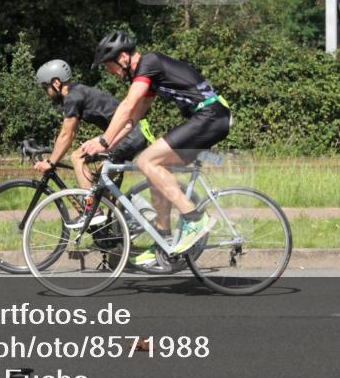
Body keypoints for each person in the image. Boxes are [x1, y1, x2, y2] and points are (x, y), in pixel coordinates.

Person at [79, 31, 231, 266]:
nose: (109, 72)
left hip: (210, 115)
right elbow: (132, 120)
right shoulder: (148, 75)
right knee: (155, 170)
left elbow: (128, 105)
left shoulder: (150, 62)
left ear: (122, 57)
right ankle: (163, 238)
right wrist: (106, 142)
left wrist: (102, 141)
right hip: (209, 118)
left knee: (146, 161)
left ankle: (194, 219)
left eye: (109, 65)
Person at [34, 59, 154, 187]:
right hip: (134, 133)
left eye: (45, 86)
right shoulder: (79, 91)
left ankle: (89, 207)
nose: (46, 91)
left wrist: (50, 162)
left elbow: (66, 135)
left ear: (56, 83)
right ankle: (115, 205)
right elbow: (71, 132)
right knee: (100, 187)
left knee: (77, 157)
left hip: (128, 134)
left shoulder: (72, 98)